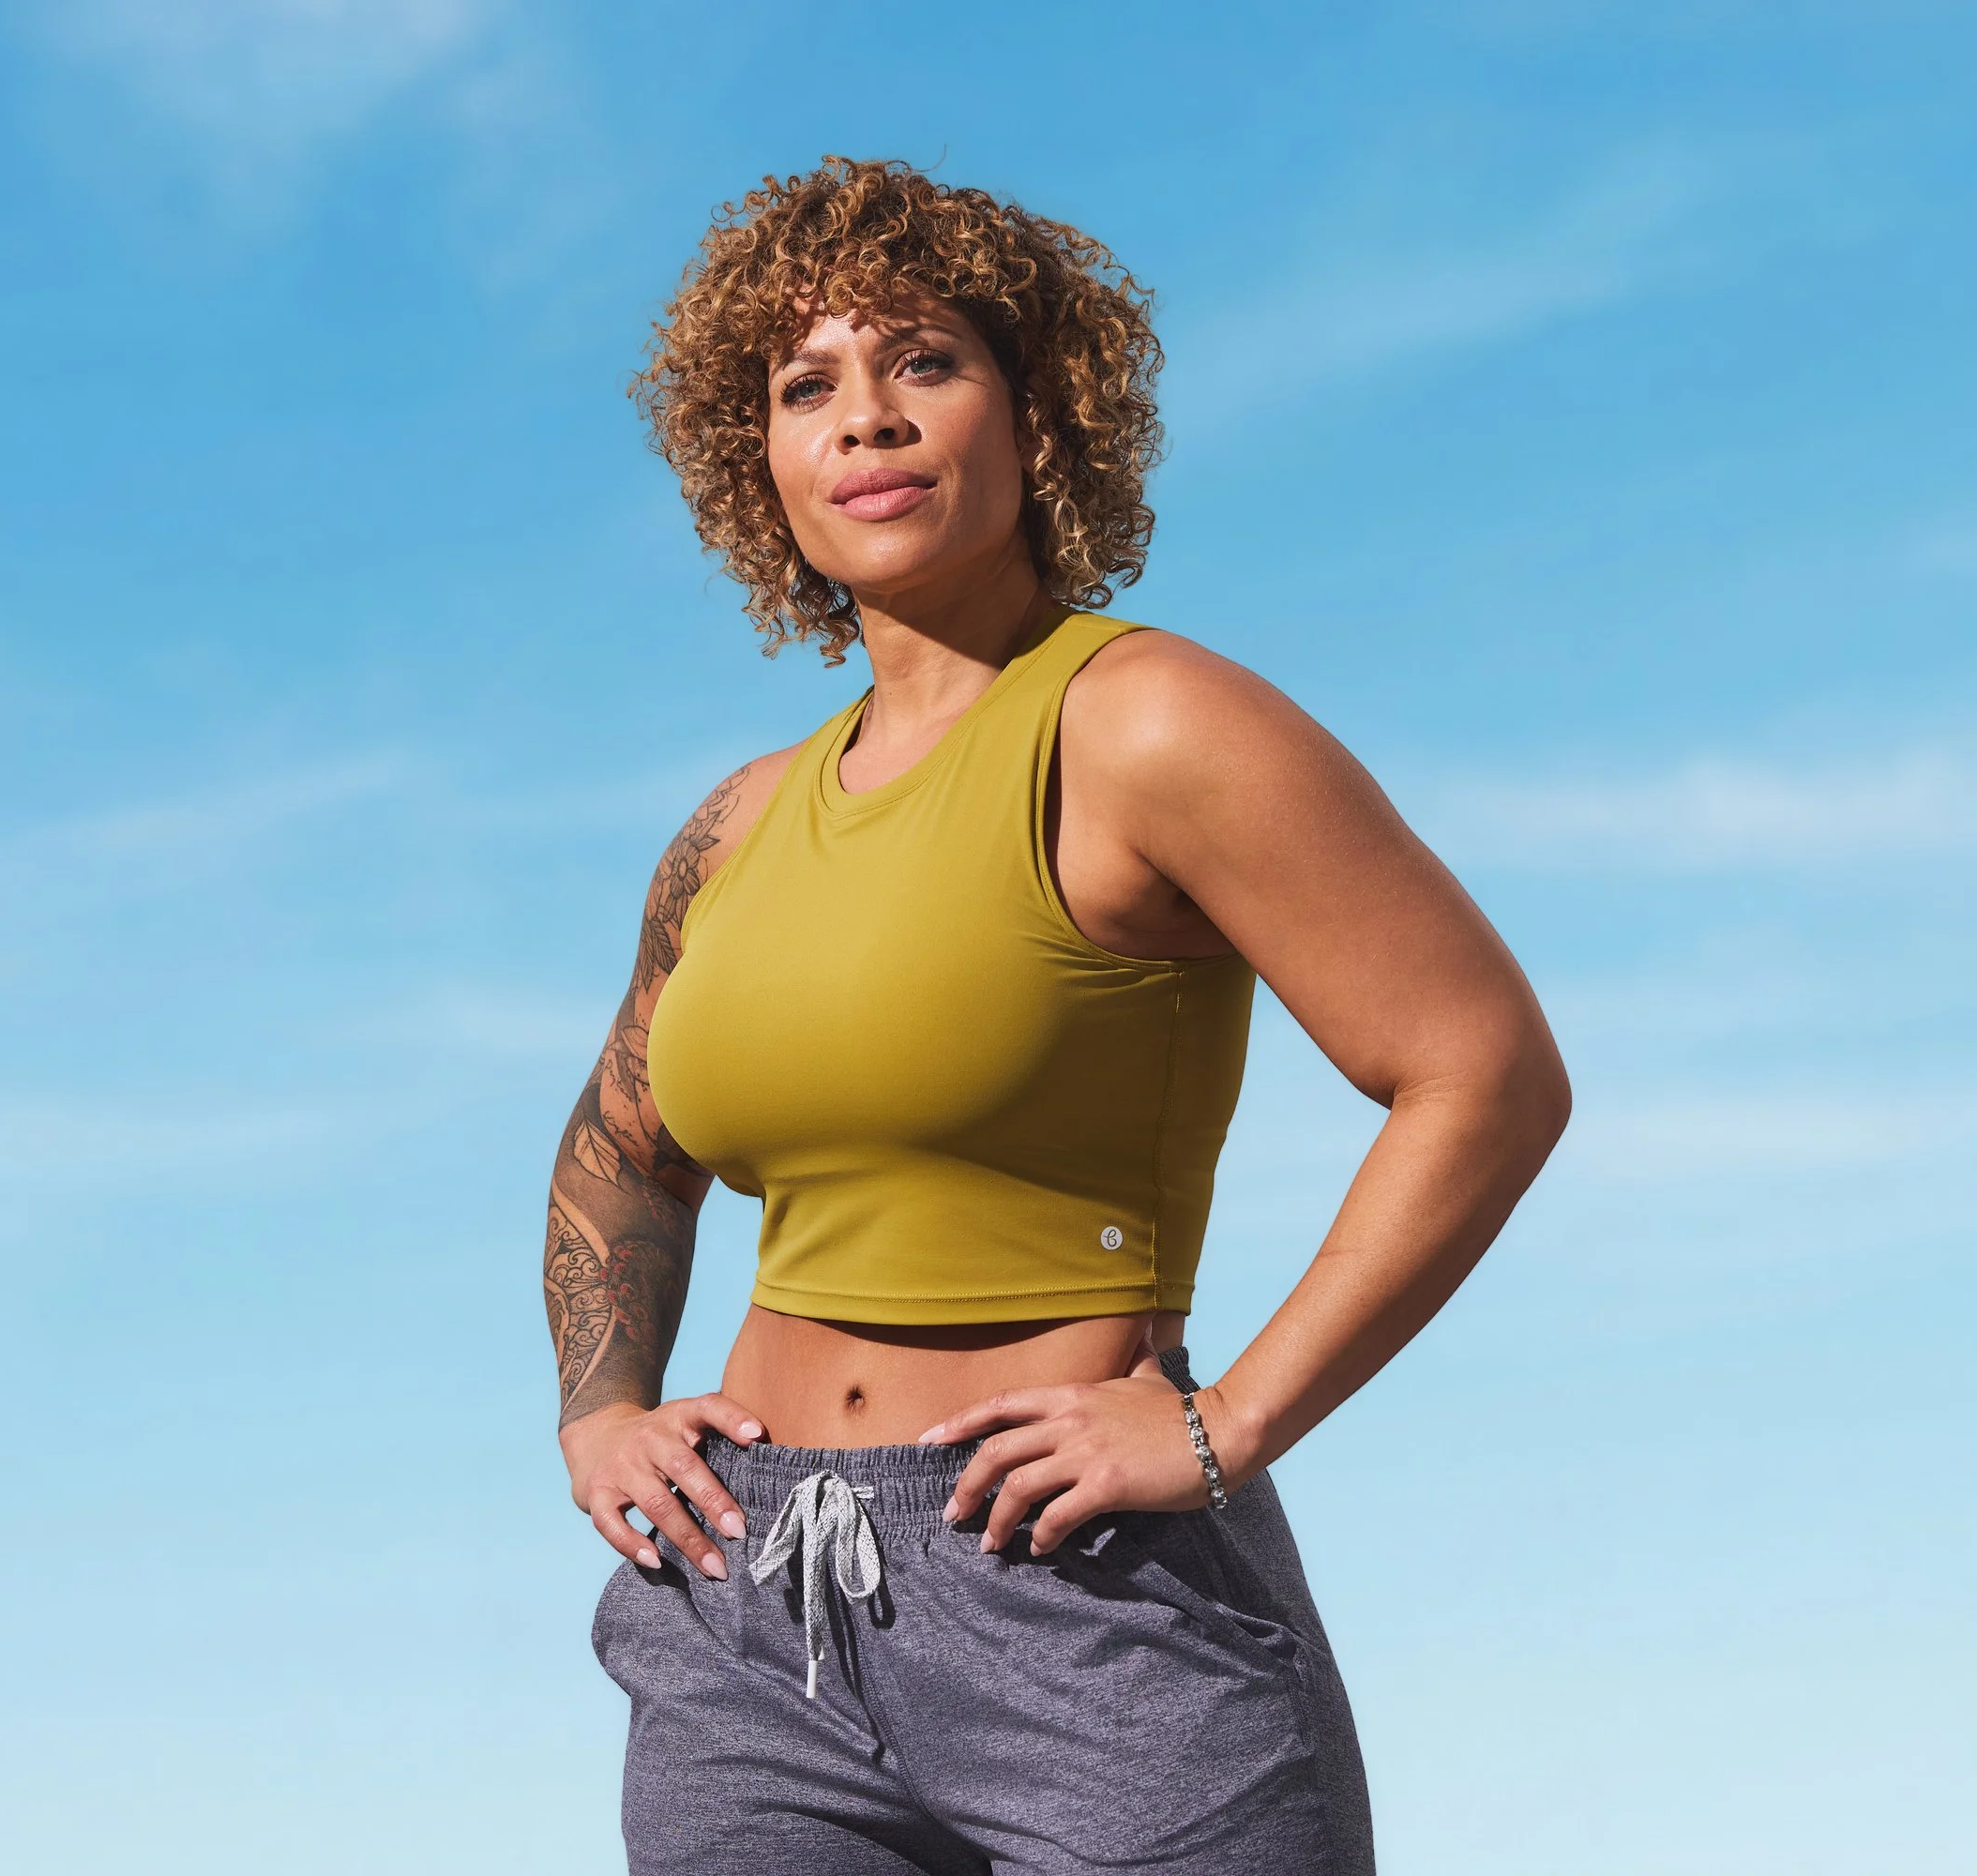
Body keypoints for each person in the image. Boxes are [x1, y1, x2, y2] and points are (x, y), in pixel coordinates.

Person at [544, 157, 1570, 1875]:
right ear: (761, 464)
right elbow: (623, 1151)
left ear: (1043, 418)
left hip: (1087, 1602)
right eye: (810, 388)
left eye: (925, 364)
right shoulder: (731, 826)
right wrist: (600, 1409)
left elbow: (1483, 1072)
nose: (865, 421)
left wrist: (1227, 1420)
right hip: (748, 1617)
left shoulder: (1148, 722)